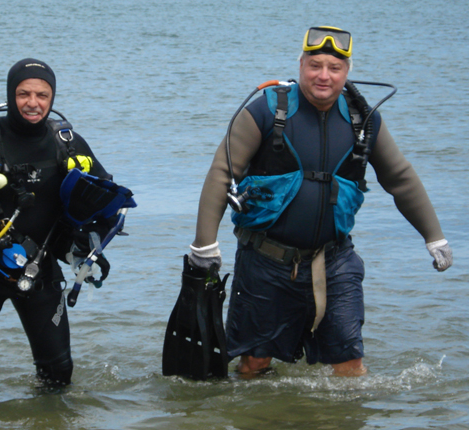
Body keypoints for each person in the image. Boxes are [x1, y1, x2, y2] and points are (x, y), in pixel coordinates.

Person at [187, 27, 453, 377]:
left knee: (350, 364)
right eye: (315, 65)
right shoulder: (265, 111)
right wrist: (205, 245)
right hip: (265, 261)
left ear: (347, 72)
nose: (324, 75)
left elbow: (400, 178)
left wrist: (434, 237)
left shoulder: (363, 120)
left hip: (335, 262)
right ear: (300, 66)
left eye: (334, 68)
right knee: (253, 364)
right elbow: (223, 172)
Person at [0, 58, 116, 393]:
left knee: (59, 374)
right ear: (11, 95)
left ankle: (47, 418)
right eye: (24, 93)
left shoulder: (66, 141)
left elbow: (106, 194)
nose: (33, 103)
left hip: (39, 270)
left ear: (52, 97)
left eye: (42, 95)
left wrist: (89, 239)